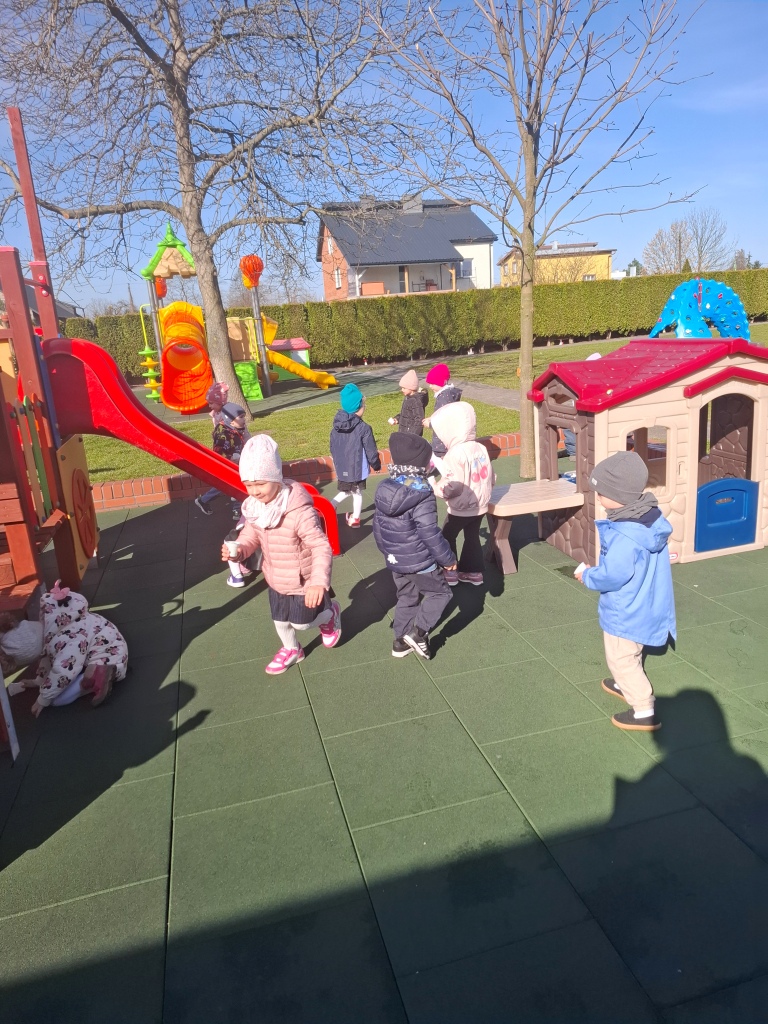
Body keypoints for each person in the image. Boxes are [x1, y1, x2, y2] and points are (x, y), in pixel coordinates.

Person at [222, 434, 341, 675]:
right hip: (276, 576)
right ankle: (292, 649)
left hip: (302, 581)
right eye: (249, 485)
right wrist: (240, 550)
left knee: (302, 623)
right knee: (280, 621)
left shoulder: (298, 511)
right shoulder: (256, 508)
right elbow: (250, 535)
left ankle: (329, 615)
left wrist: (318, 582)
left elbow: (320, 546)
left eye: (260, 484)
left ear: (276, 478)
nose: (254, 491)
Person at [575, 450, 676, 732]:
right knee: (632, 648)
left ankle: (643, 709)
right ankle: (624, 683)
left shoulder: (624, 534)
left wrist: (588, 575)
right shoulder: (649, 518)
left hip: (626, 608)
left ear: (618, 496)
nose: (598, 498)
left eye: (601, 493)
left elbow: (613, 575)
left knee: (620, 657)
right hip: (647, 602)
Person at [373, 432, 456, 660]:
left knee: (407, 597)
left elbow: (377, 527)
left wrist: (388, 553)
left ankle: (400, 642)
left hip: (395, 560)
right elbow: (429, 532)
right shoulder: (422, 493)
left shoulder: (385, 488)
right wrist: (447, 559)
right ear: (421, 465)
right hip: (420, 561)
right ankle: (419, 633)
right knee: (440, 594)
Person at [0, 583, 129, 714]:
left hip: (112, 658)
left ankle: (97, 675)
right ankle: (94, 671)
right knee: (65, 667)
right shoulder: (52, 623)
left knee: (57, 700)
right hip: (107, 641)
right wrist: (39, 681)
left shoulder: (62, 641)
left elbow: (63, 671)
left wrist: (43, 699)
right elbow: (47, 658)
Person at [429, 401, 494, 586]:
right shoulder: (480, 447)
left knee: (447, 535)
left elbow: (453, 486)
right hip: (480, 504)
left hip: (461, 507)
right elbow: (491, 475)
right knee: (472, 536)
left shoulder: (454, 453)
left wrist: (436, 487)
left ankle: (450, 571)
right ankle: (473, 572)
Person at [329, 383, 381, 528]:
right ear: (359, 407)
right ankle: (352, 517)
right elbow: (371, 449)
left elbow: (332, 447)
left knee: (348, 489)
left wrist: (338, 462)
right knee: (356, 491)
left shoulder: (336, 428)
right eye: (363, 405)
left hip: (343, 466)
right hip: (358, 467)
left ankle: (334, 507)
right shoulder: (364, 428)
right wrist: (376, 464)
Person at [195, 402, 248, 518]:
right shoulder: (223, 434)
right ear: (231, 420)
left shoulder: (234, 428)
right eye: (241, 417)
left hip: (237, 461)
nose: (244, 419)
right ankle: (237, 509)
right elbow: (219, 452)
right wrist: (231, 458)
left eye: (244, 416)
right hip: (228, 463)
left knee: (228, 485)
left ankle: (204, 500)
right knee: (237, 484)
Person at [422, 363, 462, 457]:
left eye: (433, 383)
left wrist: (430, 424)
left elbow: (444, 420)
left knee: (444, 461)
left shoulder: (444, 397)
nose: (430, 386)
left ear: (442, 382)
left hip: (443, 442)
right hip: (447, 440)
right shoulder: (448, 394)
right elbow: (442, 413)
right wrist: (432, 417)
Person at [388, 369, 428, 435]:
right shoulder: (408, 398)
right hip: (404, 433)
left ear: (411, 388)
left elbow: (419, 419)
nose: (402, 390)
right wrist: (397, 419)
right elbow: (406, 415)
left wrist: (413, 435)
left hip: (411, 435)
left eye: (404, 388)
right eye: (401, 388)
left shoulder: (416, 401)